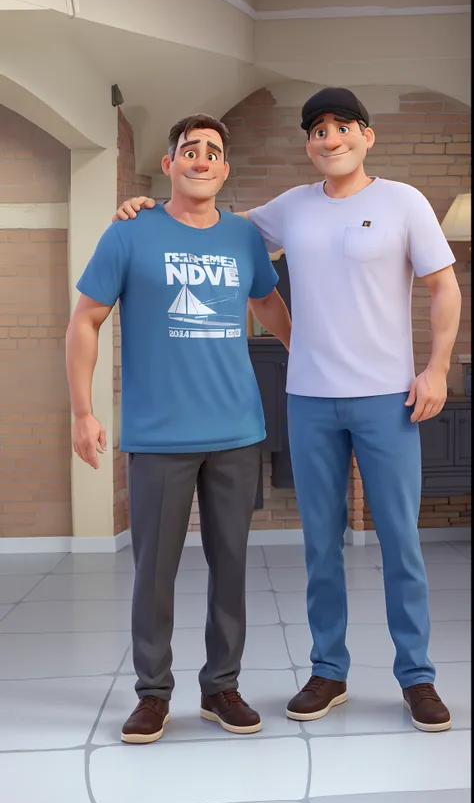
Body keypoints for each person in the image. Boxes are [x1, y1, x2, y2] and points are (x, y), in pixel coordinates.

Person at [112, 87, 462, 733]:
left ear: (367, 135)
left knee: (400, 543)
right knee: (320, 546)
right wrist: (145, 208)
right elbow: (212, 221)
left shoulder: (403, 202)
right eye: (318, 130)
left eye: (343, 127)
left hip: (388, 398)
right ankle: (328, 669)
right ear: (309, 143)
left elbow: (443, 285)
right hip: (309, 401)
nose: (330, 139)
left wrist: (437, 367)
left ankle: (417, 676)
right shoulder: (288, 210)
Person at [66, 113, 291, 744]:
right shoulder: (130, 232)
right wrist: (82, 411)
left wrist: (308, 351)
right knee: (154, 572)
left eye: (213, 151)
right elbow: (85, 321)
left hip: (237, 432)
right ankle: (152, 693)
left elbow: (267, 303)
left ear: (224, 167)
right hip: (159, 438)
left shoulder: (244, 238)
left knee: (231, 567)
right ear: (168, 165)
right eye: (188, 150)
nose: (201, 159)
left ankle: (222, 688)